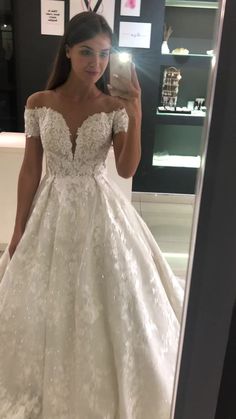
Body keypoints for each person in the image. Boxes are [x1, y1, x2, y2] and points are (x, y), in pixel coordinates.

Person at [0, 11, 184, 419]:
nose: (96, 63)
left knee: (105, 297)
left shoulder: (114, 107)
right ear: (67, 51)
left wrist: (135, 114)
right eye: (86, 52)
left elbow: (126, 168)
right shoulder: (39, 103)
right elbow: (31, 170)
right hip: (50, 208)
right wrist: (17, 230)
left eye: (104, 54)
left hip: (100, 212)